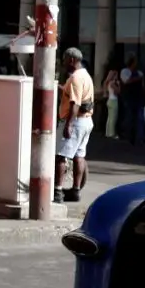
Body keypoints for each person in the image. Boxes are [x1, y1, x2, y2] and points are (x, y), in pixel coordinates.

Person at [54, 47, 95, 203]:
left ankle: (57, 191)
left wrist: (68, 125)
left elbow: (75, 103)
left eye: (64, 59)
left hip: (76, 121)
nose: (63, 63)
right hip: (86, 121)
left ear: (71, 60)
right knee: (79, 156)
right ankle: (75, 190)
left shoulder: (75, 78)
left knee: (61, 156)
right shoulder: (85, 75)